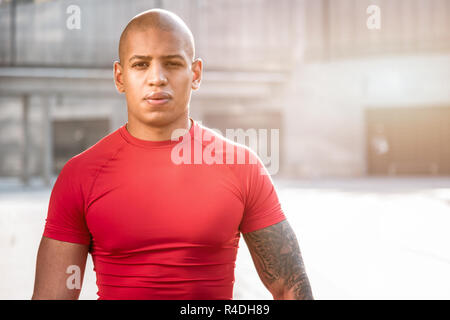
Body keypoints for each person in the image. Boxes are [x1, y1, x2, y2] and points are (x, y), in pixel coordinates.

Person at [32, 8, 313, 300]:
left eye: (172, 63)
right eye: (140, 64)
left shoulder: (241, 167)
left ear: (196, 74)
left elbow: (290, 288)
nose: (157, 78)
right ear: (119, 77)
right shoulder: (80, 175)